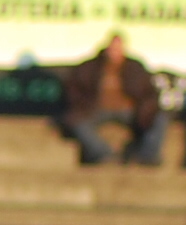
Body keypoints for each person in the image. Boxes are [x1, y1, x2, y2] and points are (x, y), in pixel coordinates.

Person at [62, 32, 166, 166]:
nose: (115, 52)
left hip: (129, 110)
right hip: (95, 109)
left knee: (159, 119)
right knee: (76, 122)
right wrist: (82, 106)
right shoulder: (89, 67)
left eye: (118, 48)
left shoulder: (135, 68)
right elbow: (74, 90)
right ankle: (104, 154)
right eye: (112, 48)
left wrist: (145, 110)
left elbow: (149, 93)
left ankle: (147, 158)